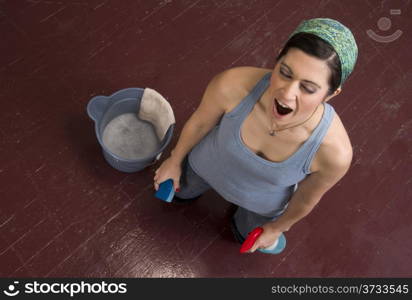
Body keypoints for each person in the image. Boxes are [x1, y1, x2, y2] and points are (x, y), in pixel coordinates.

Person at [153, 18, 358, 254]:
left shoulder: (334, 153)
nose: (287, 93)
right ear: (278, 56)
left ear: (331, 95)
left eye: (308, 88)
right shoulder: (232, 84)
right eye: (285, 72)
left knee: (243, 234)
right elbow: (199, 124)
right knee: (181, 194)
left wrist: (278, 228)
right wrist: (175, 160)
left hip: (261, 206)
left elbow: (306, 199)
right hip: (204, 167)